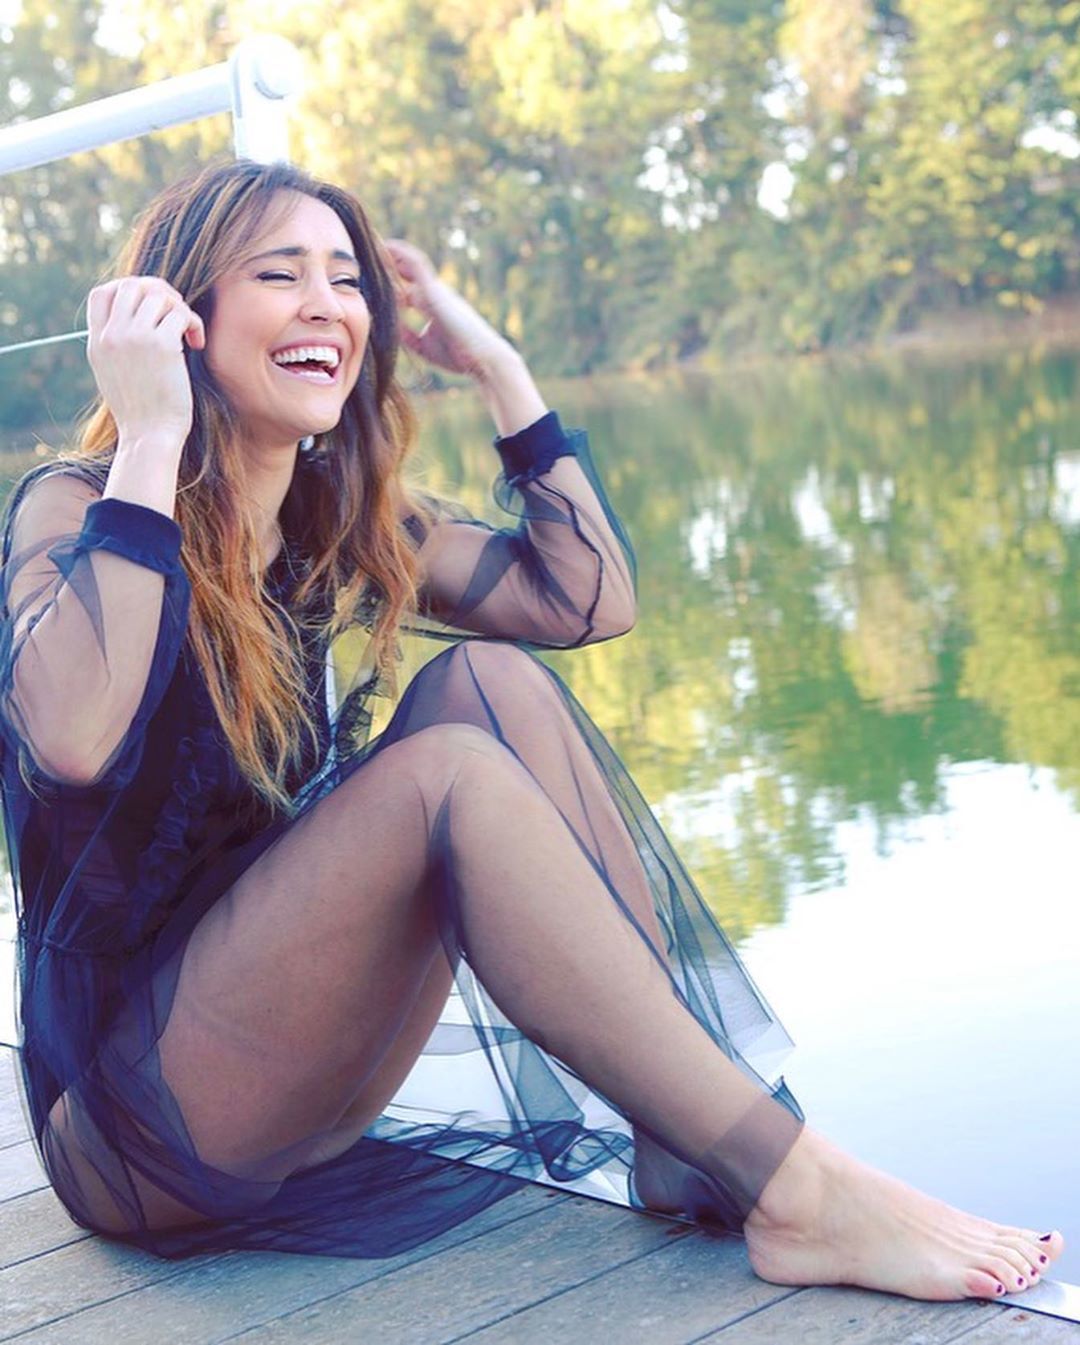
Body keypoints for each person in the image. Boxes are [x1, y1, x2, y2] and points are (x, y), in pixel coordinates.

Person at [0, 158, 1062, 1300]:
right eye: (279, 274)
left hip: (284, 1066)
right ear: (179, 314)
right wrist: (152, 433)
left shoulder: (325, 518)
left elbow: (582, 600)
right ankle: (798, 1187)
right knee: (446, 775)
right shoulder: (78, 504)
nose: (326, 305)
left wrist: (497, 366)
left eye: (347, 281)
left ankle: (687, 1138)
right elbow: (73, 738)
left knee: (492, 682)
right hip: (134, 1133)